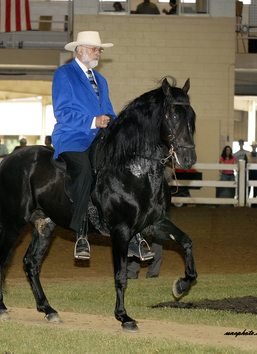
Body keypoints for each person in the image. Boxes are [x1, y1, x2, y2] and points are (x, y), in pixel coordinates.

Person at [52, 31, 154, 261]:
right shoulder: (64, 74)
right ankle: (81, 234)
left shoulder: (101, 80)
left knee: (122, 173)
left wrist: (120, 128)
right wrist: (92, 121)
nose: (98, 53)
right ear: (79, 50)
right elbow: (62, 112)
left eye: (99, 49)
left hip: (100, 137)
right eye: (94, 49)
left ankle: (133, 238)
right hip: (71, 137)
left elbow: (108, 110)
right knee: (84, 171)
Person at [244, 141, 257, 208]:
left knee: (255, 189)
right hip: (251, 173)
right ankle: (248, 202)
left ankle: (253, 203)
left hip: (256, 173)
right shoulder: (248, 155)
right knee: (248, 188)